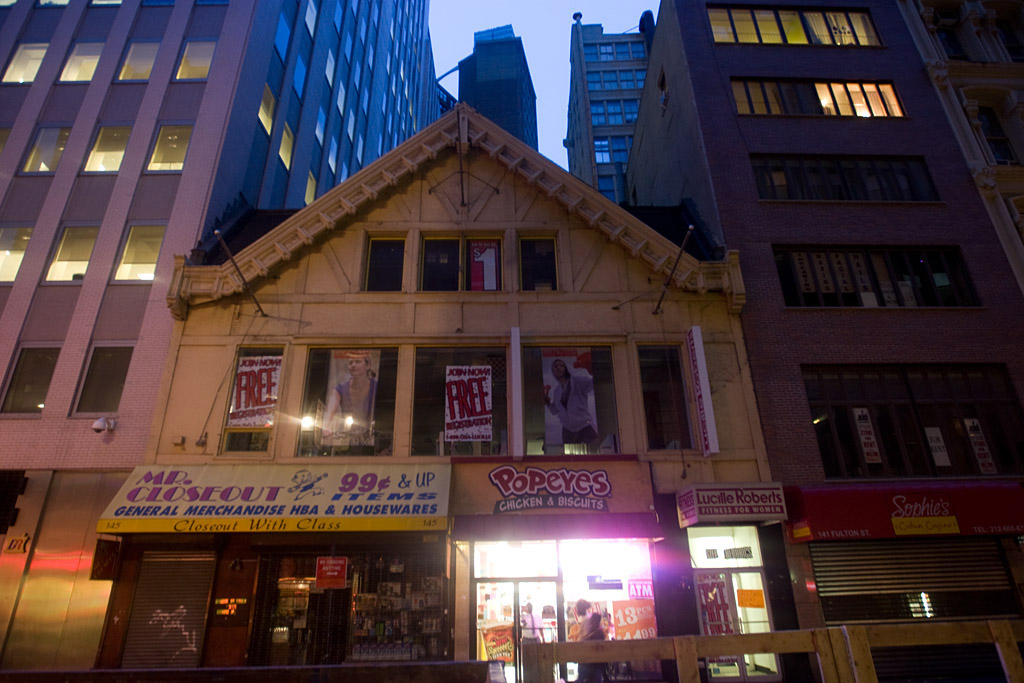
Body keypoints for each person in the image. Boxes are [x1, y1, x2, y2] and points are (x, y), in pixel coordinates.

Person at [322, 352, 377, 445]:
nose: (353, 365)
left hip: (370, 439)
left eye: (358, 362)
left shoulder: (376, 387)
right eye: (350, 363)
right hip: (348, 438)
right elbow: (330, 411)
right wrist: (326, 427)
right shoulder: (339, 389)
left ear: (368, 365)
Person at [544, 358, 597, 445]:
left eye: (561, 365)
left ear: (566, 368)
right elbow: (555, 411)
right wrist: (547, 402)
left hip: (584, 425)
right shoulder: (557, 391)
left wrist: (592, 371)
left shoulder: (577, 381)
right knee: (570, 453)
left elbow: (593, 384)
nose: (558, 367)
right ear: (553, 371)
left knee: (595, 450)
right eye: (555, 366)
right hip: (568, 430)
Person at [576, 611, 606, 683]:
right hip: (594, 664)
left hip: (589, 664)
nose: (591, 622)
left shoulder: (594, 633)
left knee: (582, 678)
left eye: (592, 620)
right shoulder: (598, 632)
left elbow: (585, 641)